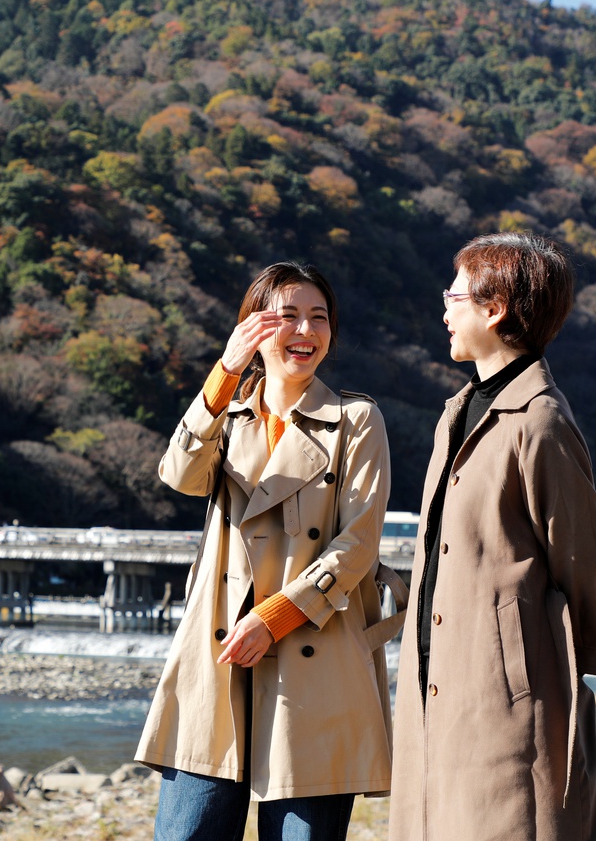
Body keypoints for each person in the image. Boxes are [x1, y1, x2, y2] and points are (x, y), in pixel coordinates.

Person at [136, 261, 401, 841]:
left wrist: (275, 615)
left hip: (315, 655)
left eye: (319, 318)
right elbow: (178, 474)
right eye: (288, 316)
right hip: (220, 654)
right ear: (253, 329)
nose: (305, 331)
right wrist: (223, 373)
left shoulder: (355, 419)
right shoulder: (225, 414)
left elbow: (358, 544)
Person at [388, 234, 596, 840]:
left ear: (494, 309)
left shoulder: (540, 420)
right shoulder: (458, 411)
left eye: (454, 296)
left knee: (507, 817)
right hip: (438, 663)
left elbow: (586, 560)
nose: (444, 310)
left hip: (505, 681)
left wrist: (557, 659)